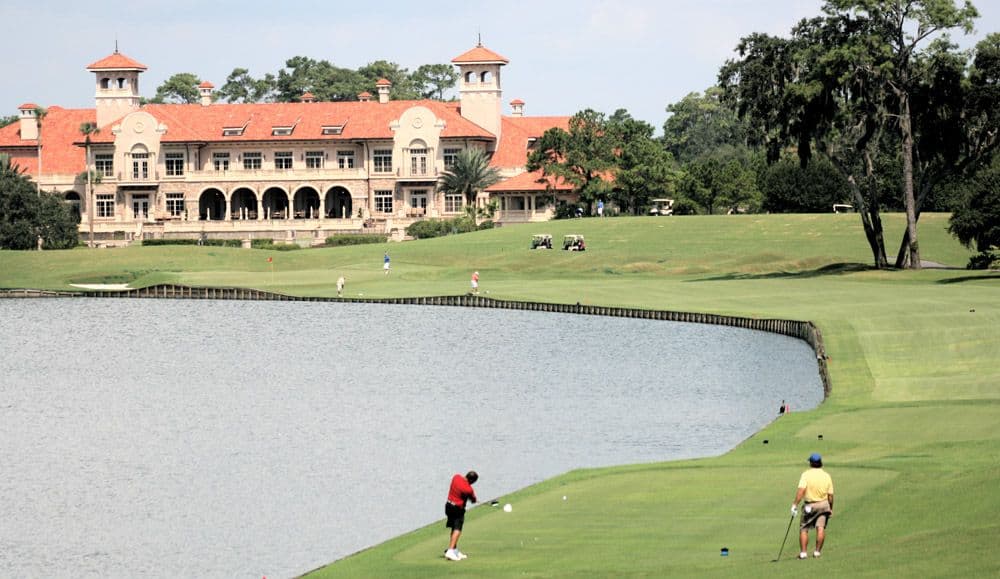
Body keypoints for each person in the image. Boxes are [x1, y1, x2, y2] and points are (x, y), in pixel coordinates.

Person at [791, 453, 834, 559]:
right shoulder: (826, 475)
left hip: (810, 506)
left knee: (804, 528)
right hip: (824, 505)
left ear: (811, 463)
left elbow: (801, 491)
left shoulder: (806, 474)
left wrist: (795, 504)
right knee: (820, 528)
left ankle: (804, 553)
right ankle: (817, 552)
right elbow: (831, 495)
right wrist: (830, 508)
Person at [444, 470, 478, 561]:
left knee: (453, 527)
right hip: (457, 509)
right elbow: (473, 499)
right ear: (472, 481)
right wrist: (474, 500)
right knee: (457, 529)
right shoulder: (468, 489)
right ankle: (450, 551)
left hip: (448, 506)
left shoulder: (456, 477)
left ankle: (454, 549)